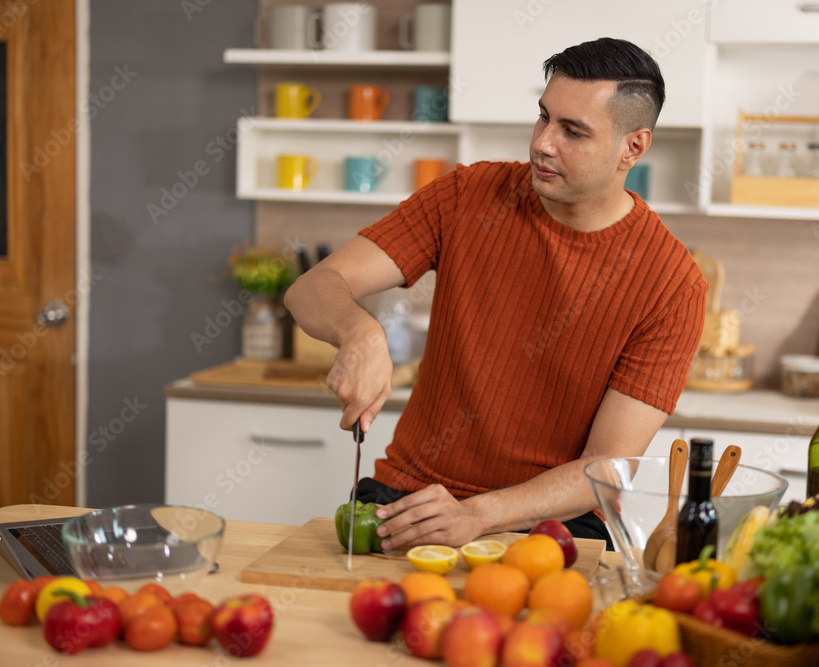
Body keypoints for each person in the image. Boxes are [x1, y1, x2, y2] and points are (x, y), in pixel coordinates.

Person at [284, 37, 706, 551]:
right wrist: (359, 332)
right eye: (543, 117)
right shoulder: (468, 196)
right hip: (410, 497)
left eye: (572, 131)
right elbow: (312, 287)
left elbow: (605, 469)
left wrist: (478, 515)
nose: (542, 143)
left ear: (633, 147)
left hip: (553, 526)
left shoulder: (672, 284)